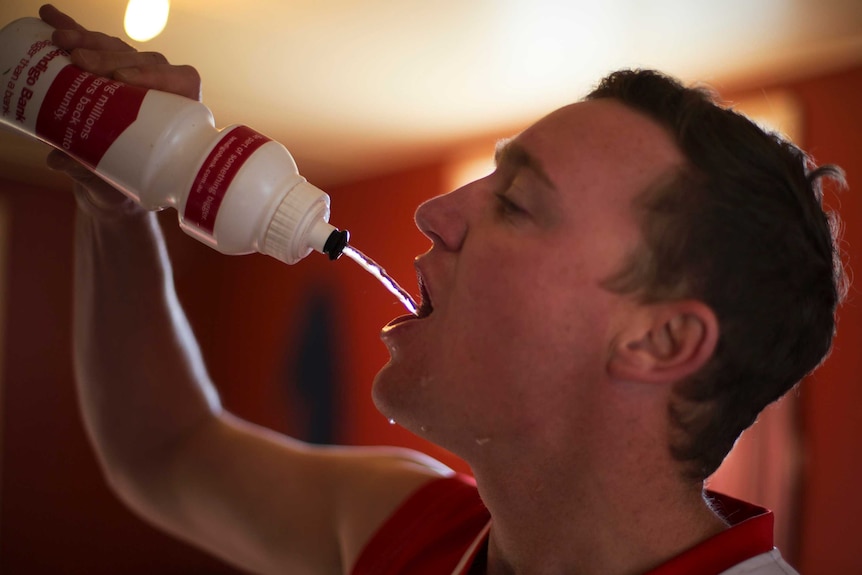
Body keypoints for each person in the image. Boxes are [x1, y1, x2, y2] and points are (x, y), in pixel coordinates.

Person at [40, 4, 846, 574]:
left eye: (517, 202)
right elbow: (166, 450)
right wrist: (117, 201)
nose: (432, 211)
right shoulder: (415, 531)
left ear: (659, 340)